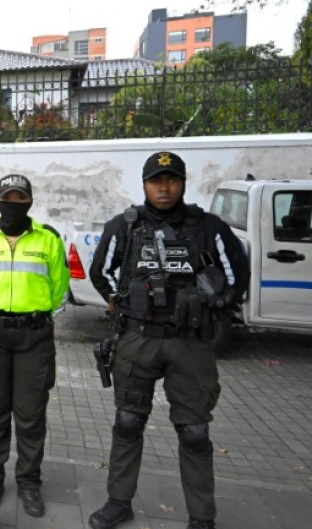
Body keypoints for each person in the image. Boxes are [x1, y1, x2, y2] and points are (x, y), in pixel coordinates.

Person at [87, 152, 250, 529]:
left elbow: (236, 272)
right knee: (128, 422)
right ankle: (118, 501)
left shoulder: (208, 227)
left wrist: (221, 302)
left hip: (190, 345)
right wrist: (122, 302)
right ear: (144, 184)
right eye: (157, 180)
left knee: (194, 432)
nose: (164, 187)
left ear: (183, 183)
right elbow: (100, 272)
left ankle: (202, 517)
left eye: (172, 179)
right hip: (137, 340)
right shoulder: (125, 227)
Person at [0, 174, 68, 518]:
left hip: (33, 337)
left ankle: (29, 482)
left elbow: (59, 289)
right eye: (8, 197)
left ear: (30, 202)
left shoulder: (48, 239)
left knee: (31, 414)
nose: (14, 203)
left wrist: (34, 313)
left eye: (20, 198)